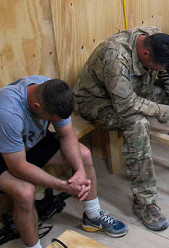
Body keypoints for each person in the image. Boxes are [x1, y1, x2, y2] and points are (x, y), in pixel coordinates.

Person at [74, 26, 169, 231]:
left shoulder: (155, 39)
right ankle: (144, 203)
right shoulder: (115, 57)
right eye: (155, 67)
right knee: (137, 123)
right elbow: (126, 105)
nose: (158, 70)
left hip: (134, 93)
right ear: (145, 54)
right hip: (97, 101)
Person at [0, 76, 127, 248]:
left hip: (29, 144)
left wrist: (80, 170)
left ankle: (93, 216)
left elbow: (66, 134)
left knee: (84, 155)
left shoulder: (51, 91)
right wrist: (62, 185)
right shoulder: (8, 112)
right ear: (37, 107)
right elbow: (18, 167)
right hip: (6, 156)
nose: (55, 123)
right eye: (52, 120)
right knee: (25, 193)